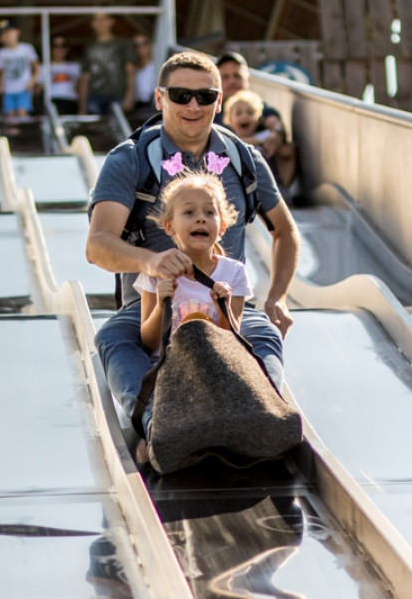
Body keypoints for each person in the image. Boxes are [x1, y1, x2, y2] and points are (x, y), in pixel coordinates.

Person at [86, 51, 300, 444]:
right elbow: (98, 244)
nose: (193, 106)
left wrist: (278, 297)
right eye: (181, 95)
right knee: (114, 340)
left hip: (224, 301)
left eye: (205, 97)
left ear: (220, 102)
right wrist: (151, 262)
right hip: (153, 303)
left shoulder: (242, 159)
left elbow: (285, 230)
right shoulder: (132, 159)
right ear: (159, 98)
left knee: (263, 333)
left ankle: (262, 409)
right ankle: (157, 421)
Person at [134, 171, 250, 350]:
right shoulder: (157, 272)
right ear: (169, 226)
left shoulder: (234, 272)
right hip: (170, 367)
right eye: (189, 212)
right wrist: (160, 307)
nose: (201, 218)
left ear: (222, 227)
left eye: (210, 212)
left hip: (214, 366)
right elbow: (148, 343)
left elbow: (233, 343)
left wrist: (223, 307)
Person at [216, 51, 298, 189]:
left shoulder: (257, 104)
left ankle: (281, 190)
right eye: (225, 77)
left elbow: (273, 121)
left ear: (247, 79)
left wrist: (276, 133)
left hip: (260, 171)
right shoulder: (211, 109)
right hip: (225, 177)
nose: (232, 81)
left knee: (287, 149)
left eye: (237, 76)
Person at [223, 90, 297, 191]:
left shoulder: (266, 137)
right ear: (229, 120)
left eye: (250, 112)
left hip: (267, 186)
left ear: (258, 119)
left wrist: (278, 147)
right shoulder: (226, 139)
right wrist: (258, 141)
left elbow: (287, 153)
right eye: (238, 113)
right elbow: (239, 142)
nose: (244, 116)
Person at [77, 12, 136, 115]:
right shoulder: (89, 48)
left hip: (117, 95)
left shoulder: (122, 44)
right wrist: (82, 106)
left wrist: (130, 96)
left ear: (111, 21)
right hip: (94, 96)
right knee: (96, 130)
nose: (100, 23)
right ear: (92, 24)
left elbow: (130, 71)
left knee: (117, 128)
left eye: (103, 19)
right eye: (97, 20)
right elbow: (85, 77)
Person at [0, 19, 40, 119]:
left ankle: (25, 133)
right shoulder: (1, 53)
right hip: (8, 88)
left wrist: (32, 81)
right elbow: (1, 71)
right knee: (10, 114)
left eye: (9, 32)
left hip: (23, 87)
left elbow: (37, 68)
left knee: (22, 111)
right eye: (3, 34)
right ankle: (13, 134)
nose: (6, 36)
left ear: (17, 32)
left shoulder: (27, 48)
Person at [46, 34, 82, 115]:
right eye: (56, 46)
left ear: (68, 48)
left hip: (70, 102)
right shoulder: (43, 67)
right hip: (51, 101)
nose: (60, 49)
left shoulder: (75, 66)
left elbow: (81, 88)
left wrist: (82, 107)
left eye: (63, 45)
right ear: (50, 48)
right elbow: (38, 90)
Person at [129, 34, 157, 123]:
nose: (140, 48)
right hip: (136, 107)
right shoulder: (134, 69)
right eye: (136, 46)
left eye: (144, 44)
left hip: (152, 107)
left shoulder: (157, 66)